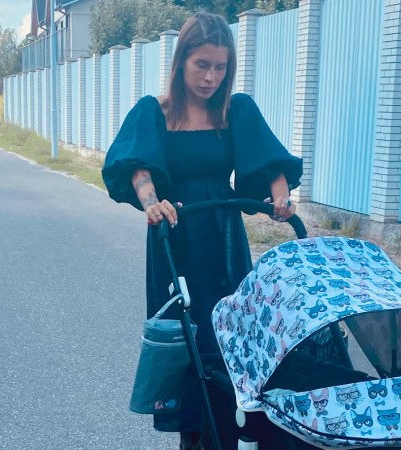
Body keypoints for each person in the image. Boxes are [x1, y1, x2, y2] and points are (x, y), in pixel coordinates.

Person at [102, 11, 303, 450]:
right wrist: (152, 203)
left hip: (223, 238)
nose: (211, 77)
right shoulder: (154, 112)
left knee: (233, 334)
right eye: (202, 65)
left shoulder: (235, 110)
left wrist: (281, 197)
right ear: (181, 61)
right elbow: (138, 168)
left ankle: (235, 430)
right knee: (186, 339)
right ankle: (194, 435)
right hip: (174, 238)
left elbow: (268, 162)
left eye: (220, 67)